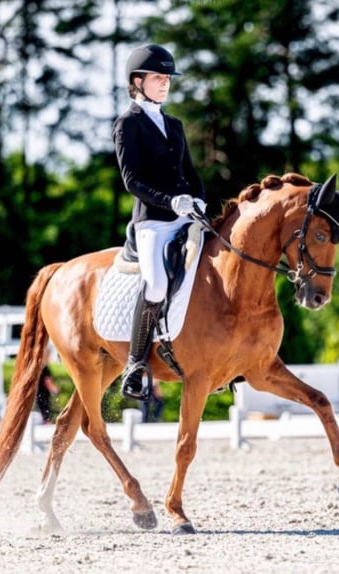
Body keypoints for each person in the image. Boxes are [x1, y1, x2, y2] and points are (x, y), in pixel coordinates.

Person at [113, 43, 206, 401]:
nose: (165, 83)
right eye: (158, 77)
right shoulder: (128, 124)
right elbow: (131, 181)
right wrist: (171, 201)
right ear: (137, 82)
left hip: (186, 217)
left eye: (167, 78)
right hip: (152, 222)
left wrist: (197, 198)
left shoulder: (174, 124)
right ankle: (135, 364)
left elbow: (190, 172)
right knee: (154, 285)